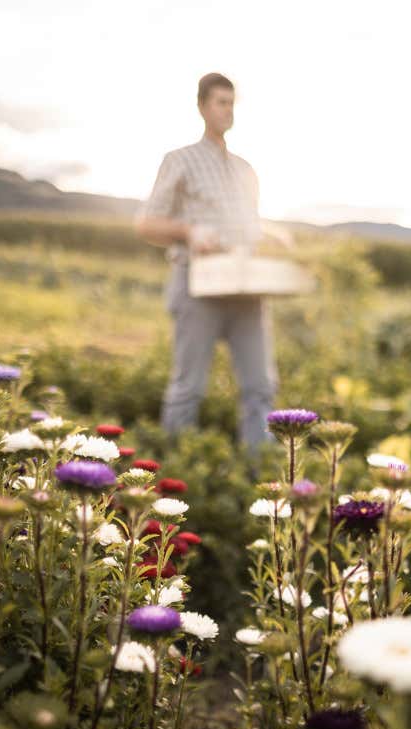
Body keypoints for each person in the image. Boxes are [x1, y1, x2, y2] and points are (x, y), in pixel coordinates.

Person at [134, 73, 279, 450]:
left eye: (232, 103)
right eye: (220, 103)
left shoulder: (246, 168)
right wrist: (189, 231)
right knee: (189, 388)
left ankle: (259, 471)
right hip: (197, 285)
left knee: (261, 387)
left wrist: (271, 233)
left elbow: (247, 225)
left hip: (246, 289)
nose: (228, 111)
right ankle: (177, 471)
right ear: (201, 107)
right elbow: (147, 223)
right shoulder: (180, 160)